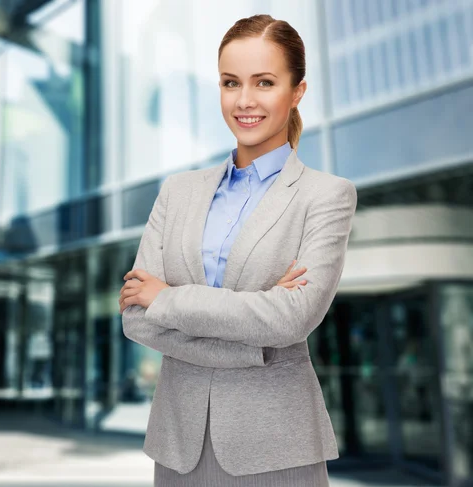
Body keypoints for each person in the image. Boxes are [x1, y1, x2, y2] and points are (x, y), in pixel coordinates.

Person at [119, 14, 358, 486]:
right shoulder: (177, 191)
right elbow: (134, 317)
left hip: (276, 445)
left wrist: (167, 298)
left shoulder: (326, 195)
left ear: (297, 92)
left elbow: (292, 318)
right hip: (178, 445)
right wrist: (256, 340)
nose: (244, 101)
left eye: (264, 82)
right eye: (231, 83)